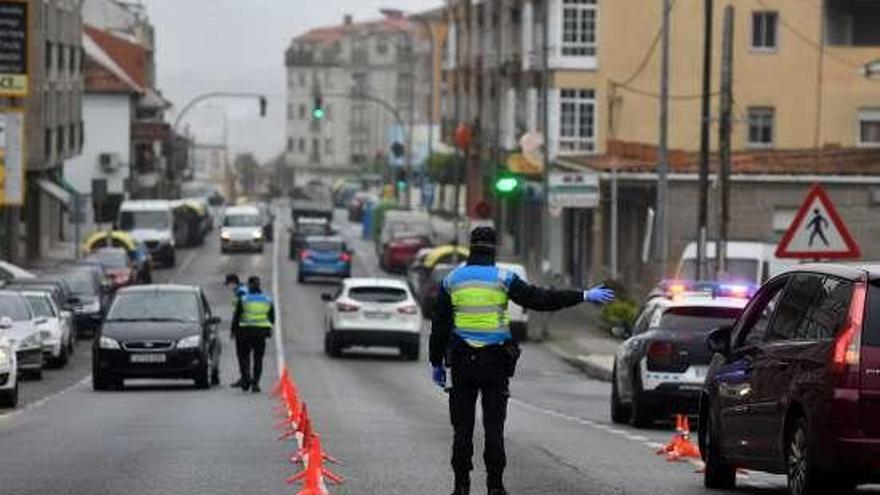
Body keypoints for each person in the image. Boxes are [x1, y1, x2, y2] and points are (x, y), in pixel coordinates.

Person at [430, 227, 615, 495]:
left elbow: (439, 327)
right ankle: (495, 487)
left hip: (463, 363)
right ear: (494, 250)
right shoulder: (504, 278)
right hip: (495, 362)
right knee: (494, 427)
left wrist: (436, 363)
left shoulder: (452, 280)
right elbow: (540, 299)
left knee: (462, 429)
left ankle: (461, 487)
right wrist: (583, 295)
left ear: (471, 248)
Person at [232, 276, 275, 393]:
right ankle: (255, 383)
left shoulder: (244, 299)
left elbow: (237, 316)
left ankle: (246, 379)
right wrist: (266, 326)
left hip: (245, 332)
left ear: (249, 285)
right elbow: (272, 318)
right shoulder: (267, 299)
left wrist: (233, 331)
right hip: (260, 334)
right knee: (258, 359)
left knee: (243, 357)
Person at [225, 274, 249, 388]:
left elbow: (238, 313)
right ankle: (246, 376)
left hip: (242, 327)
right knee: (245, 354)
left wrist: (233, 329)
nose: (228, 287)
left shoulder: (241, 293)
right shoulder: (244, 290)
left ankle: (245, 378)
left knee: (242, 354)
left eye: (228, 284)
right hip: (248, 326)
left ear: (233, 282)